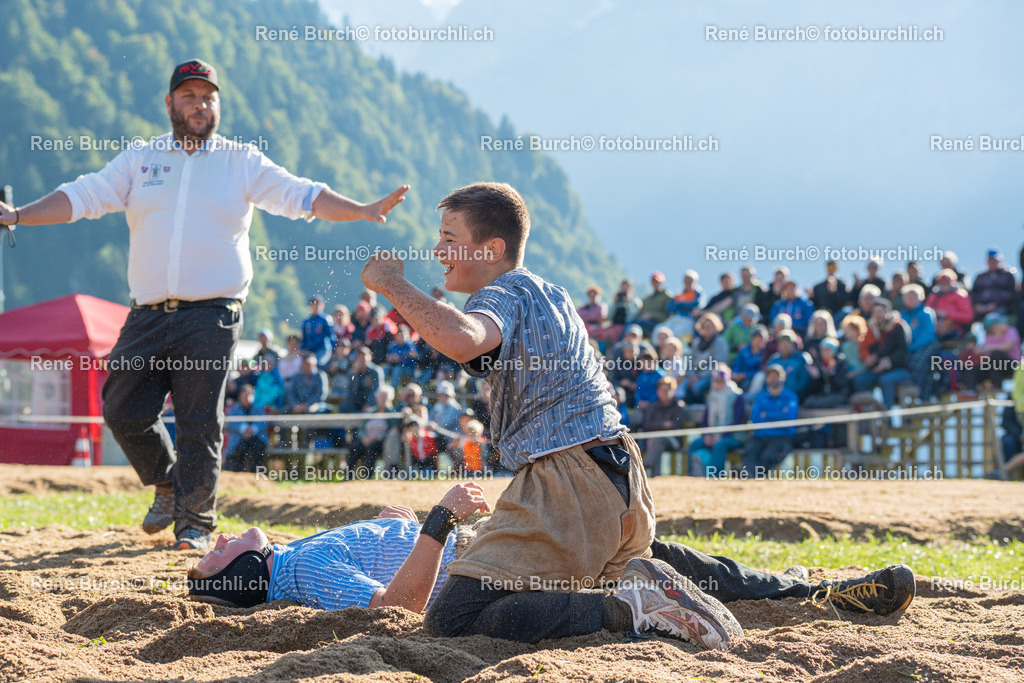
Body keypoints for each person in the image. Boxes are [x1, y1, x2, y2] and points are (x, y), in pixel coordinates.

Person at [0, 59, 409, 550]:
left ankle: (194, 525)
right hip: (148, 312)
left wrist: (361, 210)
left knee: (199, 419)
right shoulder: (140, 159)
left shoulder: (241, 161)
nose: (200, 105)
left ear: (218, 105)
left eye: (209, 97)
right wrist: (17, 215)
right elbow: (82, 196)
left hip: (213, 314)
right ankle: (168, 483)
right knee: (122, 408)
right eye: (190, 96)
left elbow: (301, 195)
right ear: (170, 103)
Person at [358, 182, 676, 645]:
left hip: (570, 482)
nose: (437, 250)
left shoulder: (501, 292)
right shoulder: (551, 294)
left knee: (455, 619)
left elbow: (463, 339)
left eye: (449, 238)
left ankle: (631, 607)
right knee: (570, 592)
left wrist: (391, 283)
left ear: (492, 250)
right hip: (622, 478)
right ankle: (752, 588)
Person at [187, 483, 916, 648]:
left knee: (661, 557)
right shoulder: (299, 572)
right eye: (211, 557)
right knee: (661, 556)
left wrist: (400, 525)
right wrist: (437, 522)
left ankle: (823, 592)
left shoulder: (297, 554)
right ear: (244, 571)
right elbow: (394, 610)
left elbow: (386, 569)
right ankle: (828, 593)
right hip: (491, 562)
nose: (213, 542)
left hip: (492, 555)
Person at [852, 300, 911, 408]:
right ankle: (868, 410)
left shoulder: (897, 327)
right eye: (875, 312)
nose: (878, 315)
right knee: (860, 380)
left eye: (880, 311)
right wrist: (869, 358)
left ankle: (887, 413)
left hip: (899, 368)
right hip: (878, 368)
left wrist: (889, 361)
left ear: (887, 312)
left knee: (885, 380)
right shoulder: (872, 328)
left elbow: (902, 352)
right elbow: (865, 349)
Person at [742, 365, 799, 477]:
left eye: (776, 376)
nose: (773, 379)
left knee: (768, 457)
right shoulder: (760, 397)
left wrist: (766, 415)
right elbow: (755, 418)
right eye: (770, 376)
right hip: (760, 435)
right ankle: (749, 478)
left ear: (784, 378)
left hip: (781, 436)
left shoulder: (790, 397)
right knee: (750, 452)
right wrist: (778, 414)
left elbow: (788, 417)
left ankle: (758, 478)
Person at [688, 368, 746, 476]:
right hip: (713, 436)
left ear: (727, 380)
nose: (719, 383)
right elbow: (705, 421)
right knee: (694, 444)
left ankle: (717, 477)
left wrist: (721, 436)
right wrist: (707, 436)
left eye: (722, 380)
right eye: (716, 380)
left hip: (734, 436)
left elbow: (737, 422)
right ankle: (690, 476)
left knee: (719, 445)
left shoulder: (736, 396)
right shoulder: (710, 396)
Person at [639, 376, 687, 477]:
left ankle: (645, 466)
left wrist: (657, 426)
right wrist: (663, 424)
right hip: (653, 442)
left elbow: (676, 427)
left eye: (668, 390)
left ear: (673, 391)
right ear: (658, 391)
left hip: (674, 441)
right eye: (663, 390)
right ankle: (655, 476)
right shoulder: (653, 406)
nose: (665, 393)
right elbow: (646, 425)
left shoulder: (678, 406)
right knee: (656, 442)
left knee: (656, 440)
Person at [902, 285, 940, 401]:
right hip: (908, 348)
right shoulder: (902, 315)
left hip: (925, 347)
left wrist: (912, 347)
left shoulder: (926, 313)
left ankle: (921, 396)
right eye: (908, 296)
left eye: (914, 296)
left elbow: (927, 335)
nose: (911, 299)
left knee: (920, 363)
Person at [224, 384, 268, 473]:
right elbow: (230, 424)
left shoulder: (258, 409)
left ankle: (256, 473)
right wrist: (244, 429)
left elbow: (263, 423)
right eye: (244, 395)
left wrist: (253, 429)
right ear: (240, 396)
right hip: (239, 439)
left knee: (258, 447)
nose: (246, 398)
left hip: (256, 437)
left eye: (249, 395)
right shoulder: (234, 409)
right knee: (241, 449)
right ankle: (239, 474)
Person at [972, 248, 1017, 320]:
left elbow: (1011, 294)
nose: (992, 262)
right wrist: (978, 305)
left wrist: (995, 304)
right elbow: (974, 293)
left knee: (993, 318)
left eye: (995, 260)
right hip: (980, 309)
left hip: (1000, 308)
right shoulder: (981, 276)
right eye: (990, 260)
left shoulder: (1007, 275)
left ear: (1000, 261)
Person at [926, 270, 974, 336]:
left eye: (946, 282)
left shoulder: (960, 295)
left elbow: (968, 316)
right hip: (935, 328)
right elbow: (927, 312)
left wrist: (948, 314)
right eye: (941, 282)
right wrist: (935, 313)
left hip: (955, 330)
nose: (944, 284)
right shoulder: (933, 296)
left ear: (953, 282)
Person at [632, 271, 674, 336]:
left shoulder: (667, 297)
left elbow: (667, 316)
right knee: (630, 324)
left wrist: (652, 316)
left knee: (636, 326)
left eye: (657, 282)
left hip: (657, 324)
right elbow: (640, 312)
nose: (655, 284)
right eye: (653, 282)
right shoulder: (647, 299)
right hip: (643, 321)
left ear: (662, 283)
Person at [663, 270, 703, 338]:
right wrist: (683, 305)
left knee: (676, 333)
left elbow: (695, 304)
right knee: (661, 330)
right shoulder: (679, 294)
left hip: (688, 319)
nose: (688, 283)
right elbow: (669, 307)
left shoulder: (697, 294)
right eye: (686, 281)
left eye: (690, 281)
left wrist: (679, 304)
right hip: (675, 318)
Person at [301, 295, 335, 369]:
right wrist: (302, 349)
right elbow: (304, 338)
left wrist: (333, 351)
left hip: (323, 349)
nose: (314, 306)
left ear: (322, 306)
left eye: (317, 304)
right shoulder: (307, 321)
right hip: (310, 349)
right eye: (312, 304)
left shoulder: (325, 319)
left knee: (318, 365)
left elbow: (331, 336)